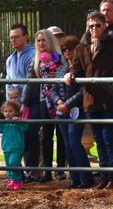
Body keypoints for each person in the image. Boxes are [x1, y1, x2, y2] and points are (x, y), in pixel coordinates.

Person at [66, 10, 113, 190]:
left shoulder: (111, 43)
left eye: (98, 25)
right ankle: (104, 177)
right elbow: (77, 68)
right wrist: (70, 74)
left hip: (109, 98)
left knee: (109, 139)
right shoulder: (81, 47)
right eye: (91, 26)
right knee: (98, 139)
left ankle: (111, 177)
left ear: (104, 26)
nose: (94, 28)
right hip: (91, 100)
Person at [51, 36, 95, 189]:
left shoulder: (82, 69)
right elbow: (53, 89)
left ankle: (87, 177)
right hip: (62, 110)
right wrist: (59, 102)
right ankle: (74, 177)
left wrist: (67, 105)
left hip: (76, 110)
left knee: (75, 143)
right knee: (68, 145)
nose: (67, 51)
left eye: (70, 48)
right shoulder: (60, 69)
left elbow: (83, 91)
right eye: (64, 49)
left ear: (77, 49)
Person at [32, 29, 67, 182]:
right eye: (39, 40)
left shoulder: (60, 58)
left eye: (44, 40)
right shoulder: (36, 59)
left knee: (61, 134)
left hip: (59, 99)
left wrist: (57, 75)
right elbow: (31, 80)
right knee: (46, 136)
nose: (41, 43)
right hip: (44, 101)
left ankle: (60, 169)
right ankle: (47, 170)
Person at [5, 23, 38, 182]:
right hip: (15, 105)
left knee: (31, 135)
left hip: (31, 102)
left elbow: (31, 82)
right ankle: (18, 174)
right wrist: (9, 105)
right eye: (11, 37)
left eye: (16, 37)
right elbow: (8, 82)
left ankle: (33, 171)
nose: (13, 40)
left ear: (26, 37)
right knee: (18, 137)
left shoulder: (33, 54)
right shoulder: (10, 59)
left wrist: (23, 102)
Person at [0, 100, 29, 190]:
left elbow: (25, 128)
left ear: (16, 112)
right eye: (6, 111)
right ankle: (11, 179)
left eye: (10, 111)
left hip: (17, 147)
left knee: (13, 163)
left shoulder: (18, 121)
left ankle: (17, 180)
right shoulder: (4, 122)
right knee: (8, 165)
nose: (8, 113)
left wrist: (19, 121)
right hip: (6, 147)